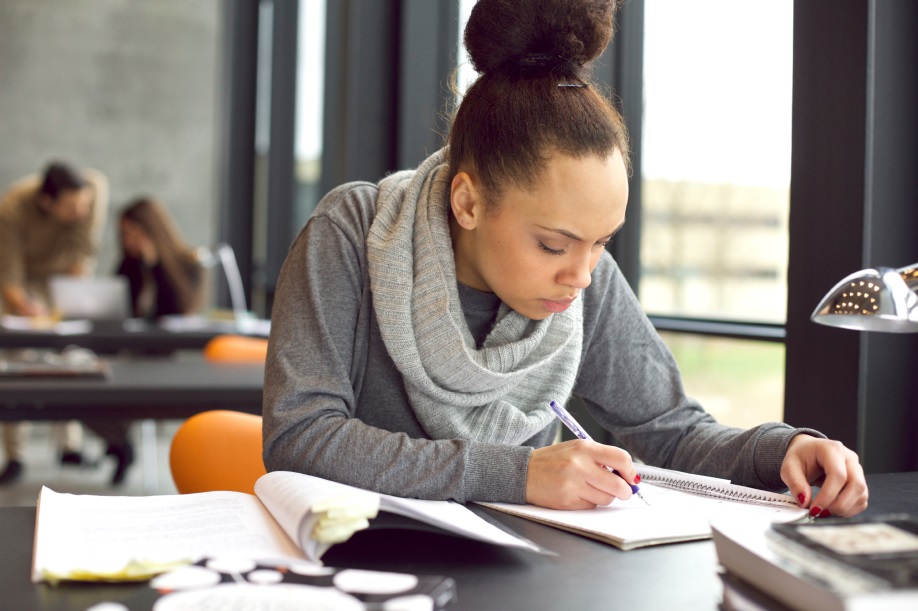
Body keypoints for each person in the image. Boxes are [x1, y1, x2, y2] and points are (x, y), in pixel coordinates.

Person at [262, 0, 868, 518]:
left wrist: (780, 450)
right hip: (362, 568)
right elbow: (300, 437)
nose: (580, 275)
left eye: (601, 242)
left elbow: (670, 429)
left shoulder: (582, 281)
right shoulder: (352, 233)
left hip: (527, 575)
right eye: (553, 244)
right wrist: (518, 473)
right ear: (468, 201)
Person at [0, 161, 108, 484]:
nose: (81, 211)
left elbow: (83, 252)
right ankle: (16, 455)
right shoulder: (12, 209)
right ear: (47, 203)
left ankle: (69, 446)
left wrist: (69, 304)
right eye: (72, 206)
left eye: (83, 204)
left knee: (70, 354)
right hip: (26, 282)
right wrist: (29, 309)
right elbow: (10, 275)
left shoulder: (94, 188)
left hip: (65, 278)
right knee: (17, 360)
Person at [85, 196, 205, 485]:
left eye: (134, 233)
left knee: (111, 385)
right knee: (83, 384)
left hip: (160, 356)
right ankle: (120, 442)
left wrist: (154, 265)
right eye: (124, 234)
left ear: (152, 230)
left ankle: (119, 444)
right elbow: (114, 307)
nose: (129, 240)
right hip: (126, 352)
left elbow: (178, 309)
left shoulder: (187, 264)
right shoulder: (128, 265)